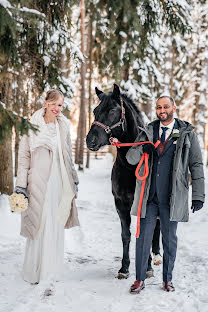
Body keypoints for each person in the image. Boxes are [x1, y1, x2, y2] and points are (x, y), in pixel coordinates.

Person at [126, 96, 205, 293]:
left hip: (172, 196)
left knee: (170, 240)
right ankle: (139, 279)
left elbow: (195, 164)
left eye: (166, 106)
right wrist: (140, 147)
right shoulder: (148, 131)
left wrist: (198, 195)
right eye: (159, 107)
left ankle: (167, 279)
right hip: (149, 197)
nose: (162, 110)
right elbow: (130, 158)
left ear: (174, 108)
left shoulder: (186, 133)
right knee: (143, 238)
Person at [15, 89, 79, 284]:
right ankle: (35, 270)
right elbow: (24, 156)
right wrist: (21, 185)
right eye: (53, 104)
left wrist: (73, 179)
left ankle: (51, 269)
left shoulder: (64, 125)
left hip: (58, 181)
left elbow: (67, 155)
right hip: (38, 181)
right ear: (45, 103)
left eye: (60, 105)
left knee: (55, 221)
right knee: (39, 223)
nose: (57, 108)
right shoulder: (32, 125)